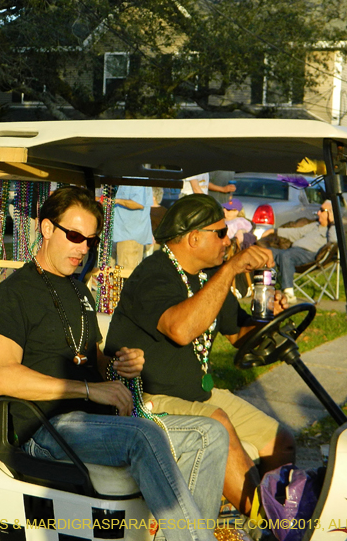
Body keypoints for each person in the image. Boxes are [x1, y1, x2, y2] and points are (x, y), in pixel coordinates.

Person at [0, 186, 230, 541]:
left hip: (92, 423)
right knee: (143, 437)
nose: (83, 248)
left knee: (211, 434)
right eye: (74, 236)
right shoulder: (15, 293)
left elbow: (93, 362)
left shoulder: (78, 291)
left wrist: (119, 367)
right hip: (46, 426)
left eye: (90, 240)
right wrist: (89, 389)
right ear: (46, 229)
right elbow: (2, 376)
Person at [105, 194, 296, 517]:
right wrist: (232, 268)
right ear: (194, 238)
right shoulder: (154, 273)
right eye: (220, 233)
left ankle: (272, 516)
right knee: (217, 423)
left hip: (197, 393)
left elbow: (239, 335)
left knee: (280, 441)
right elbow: (180, 328)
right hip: (146, 399)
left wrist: (271, 317)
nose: (228, 241)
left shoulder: (210, 276)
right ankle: (270, 525)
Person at [261, 200, 337, 305]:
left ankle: (289, 294)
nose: (318, 213)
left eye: (322, 210)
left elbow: (334, 241)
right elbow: (296, 233)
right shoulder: (315, 225)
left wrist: (332, 222)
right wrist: (275, 231)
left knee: (285, 255)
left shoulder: (333, 229)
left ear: (330, 213)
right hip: (293, 251)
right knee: (268, 253)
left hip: (310, 255)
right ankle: (267, 287)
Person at [112, 185, 153, 272]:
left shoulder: (137, 178)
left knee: (127, 275)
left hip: (130, 237)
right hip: (116, 234)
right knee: (110, 278)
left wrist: (115, 200)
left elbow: (138, 203)